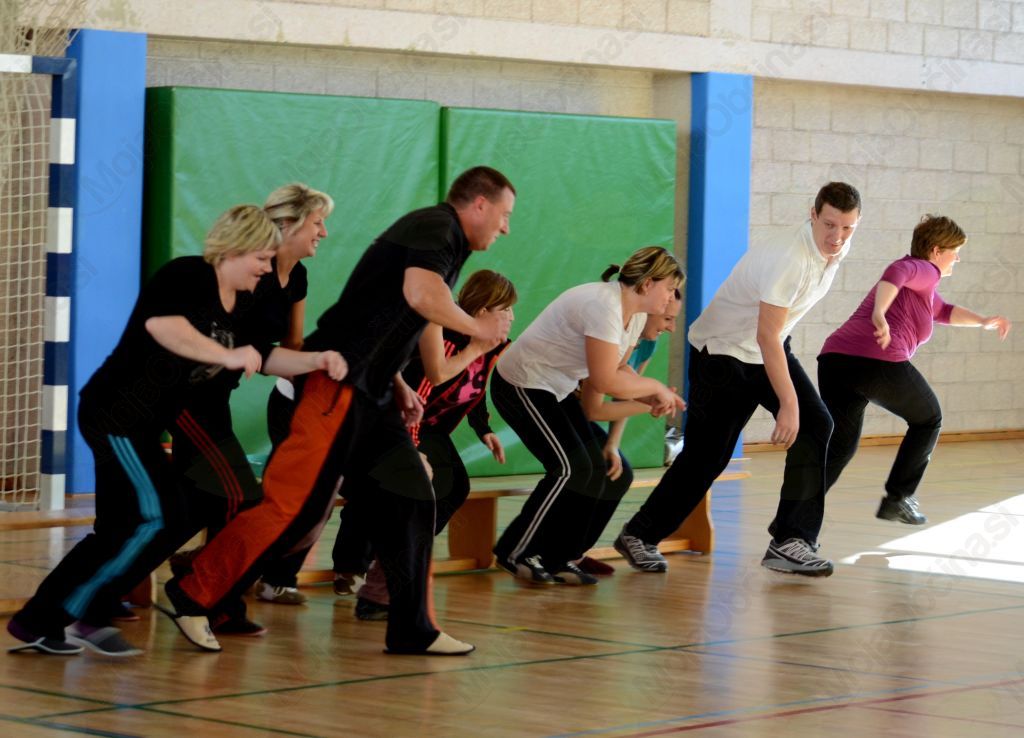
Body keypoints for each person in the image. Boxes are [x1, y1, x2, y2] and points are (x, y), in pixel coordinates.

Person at [160, 166, 515, 656]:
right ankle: (193, 593)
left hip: (373, 394)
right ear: (479, 205)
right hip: (337, 385)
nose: (505, 227)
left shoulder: (445, 240)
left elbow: (387, 317)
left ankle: (413, 628)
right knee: (293, 507)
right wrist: (479, 331)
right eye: (504, 215)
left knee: (413, 495)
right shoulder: (436, 227)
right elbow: (421, 297)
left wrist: (395, 381)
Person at [6, 205, 345, 656]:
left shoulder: (239, 302)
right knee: (154, 516)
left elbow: (263, 356)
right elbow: (164, 327)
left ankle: (63, 616)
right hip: (117, 417)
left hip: (145, 427)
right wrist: (225, 355)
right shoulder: (188, 275)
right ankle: (59, 616)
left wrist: (316, 360)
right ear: (236, 249)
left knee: (148, 521)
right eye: (261, 258)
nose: (267, 269)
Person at [617, 182, 862, 578]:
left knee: (817, 426)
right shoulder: (790, 258)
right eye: (829, 224)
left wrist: (793, 406)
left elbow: (772, 338)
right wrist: (788, 404)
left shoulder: (835, 248)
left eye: (847, 228)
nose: (837, 237)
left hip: (762, 348)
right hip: (722, 353)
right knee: (707, 457)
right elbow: (767, 335)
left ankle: (790, 539)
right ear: (813, 215)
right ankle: (639, 534)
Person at [169, 184, 334, 633]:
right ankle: (209, 598)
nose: (323, 232)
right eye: (317, 222)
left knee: (200, 505)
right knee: (239, 498)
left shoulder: (296, 276)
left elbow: (290, 345)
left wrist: (321, 370)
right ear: (289, 224)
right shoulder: (247, 272)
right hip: (185, 398)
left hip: (214, 398)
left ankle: (192, 582)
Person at [491, 246, 685, 585]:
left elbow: (619, 371)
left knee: (613, 473)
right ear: (647, 284)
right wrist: (655, 387)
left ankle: (563, 555)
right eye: (669, 289)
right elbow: (604, 380)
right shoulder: (604, 306)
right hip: (522, 383)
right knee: (570, 468)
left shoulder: (635, 315)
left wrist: (650, 398)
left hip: (557, 388)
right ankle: (515, 551)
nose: (670, 298)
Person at [331, 269, 516, 620]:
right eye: (505, 309)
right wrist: (412, 448)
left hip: (431, 429)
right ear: (483, 311)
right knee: (390, 487)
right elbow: (420, 393)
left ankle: (396, 558)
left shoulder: (492, 346)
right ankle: (357, 564)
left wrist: (484, 430)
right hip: (394, 422)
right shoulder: (445, 337)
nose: (512, 317)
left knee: (452, 487)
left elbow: (475, 387)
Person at [818, 214, 1011, 525]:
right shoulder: (923, 269)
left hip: (835, 361)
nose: (957, 258)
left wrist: (983, 321)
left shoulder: (922, 288)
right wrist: (879, 314)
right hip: (876, 360)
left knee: (839, 449)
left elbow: (943, 311)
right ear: (936, 251)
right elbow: (897, 271)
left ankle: (794, 518)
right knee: (929, 419)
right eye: (955, 251)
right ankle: (898, 498)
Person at [573, 288, 684, 577]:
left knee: (618, 474)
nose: (671, 328)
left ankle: (575, 552)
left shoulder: (646, 344)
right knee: (584, 471)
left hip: (585, 411)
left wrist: (612, 444)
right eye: (668, 319)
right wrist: (652, 403)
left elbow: (628, 392)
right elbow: (594, 406)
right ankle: (552, 551)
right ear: (649, 310)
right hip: (565, 403)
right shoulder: (615, 333)